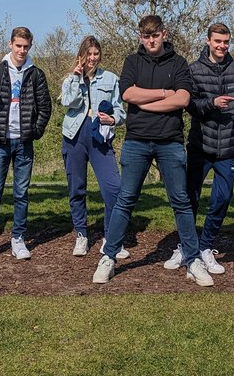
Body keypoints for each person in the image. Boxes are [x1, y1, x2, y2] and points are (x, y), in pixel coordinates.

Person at [92, 15, 215, 287]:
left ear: (163, 34)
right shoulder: (132, 62)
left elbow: (182, 99)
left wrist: (145, 102)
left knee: (181, 201)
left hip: (170, 141)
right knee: (125, 199)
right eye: (146, 36)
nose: (151, 40)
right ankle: (109, 257)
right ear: (140, 37)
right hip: (137, 141)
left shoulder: (178, 63)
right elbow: (127, 95)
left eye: (155, 35)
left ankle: (193, 259)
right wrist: (162, 93)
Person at [164, 22, 234, 274]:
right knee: (190, 199)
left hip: (228, 148)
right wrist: (212, 103)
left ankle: (205, 247)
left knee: (222, 199)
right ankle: (185, 247)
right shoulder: (194, 70)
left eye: (226, 42)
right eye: (218, 41)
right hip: (200, 145)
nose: (222, 46)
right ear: (208, 41)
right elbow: (190, 106)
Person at [0, 26, 52, 262]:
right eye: (18, 46)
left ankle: (18, 239)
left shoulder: (36, 74)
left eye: (26, 47)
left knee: (21, 193)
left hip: (24, 142)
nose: (21, 50)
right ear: (10, 44)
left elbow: (45, 107)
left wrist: (35, 131)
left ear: (30, 47)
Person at [59, 35, 128, 258]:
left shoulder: (111, 78)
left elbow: (120, 111)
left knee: (113, 188)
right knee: (76, 188)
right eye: (88, 54)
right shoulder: (70, 79)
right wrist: (77, 78)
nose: (92, 58)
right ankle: (81, 234)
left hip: (100, 136)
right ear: (81, 56)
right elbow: (68, 103)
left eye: (96, 53)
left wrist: (113, 120)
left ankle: (111, 238)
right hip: (74, 135)